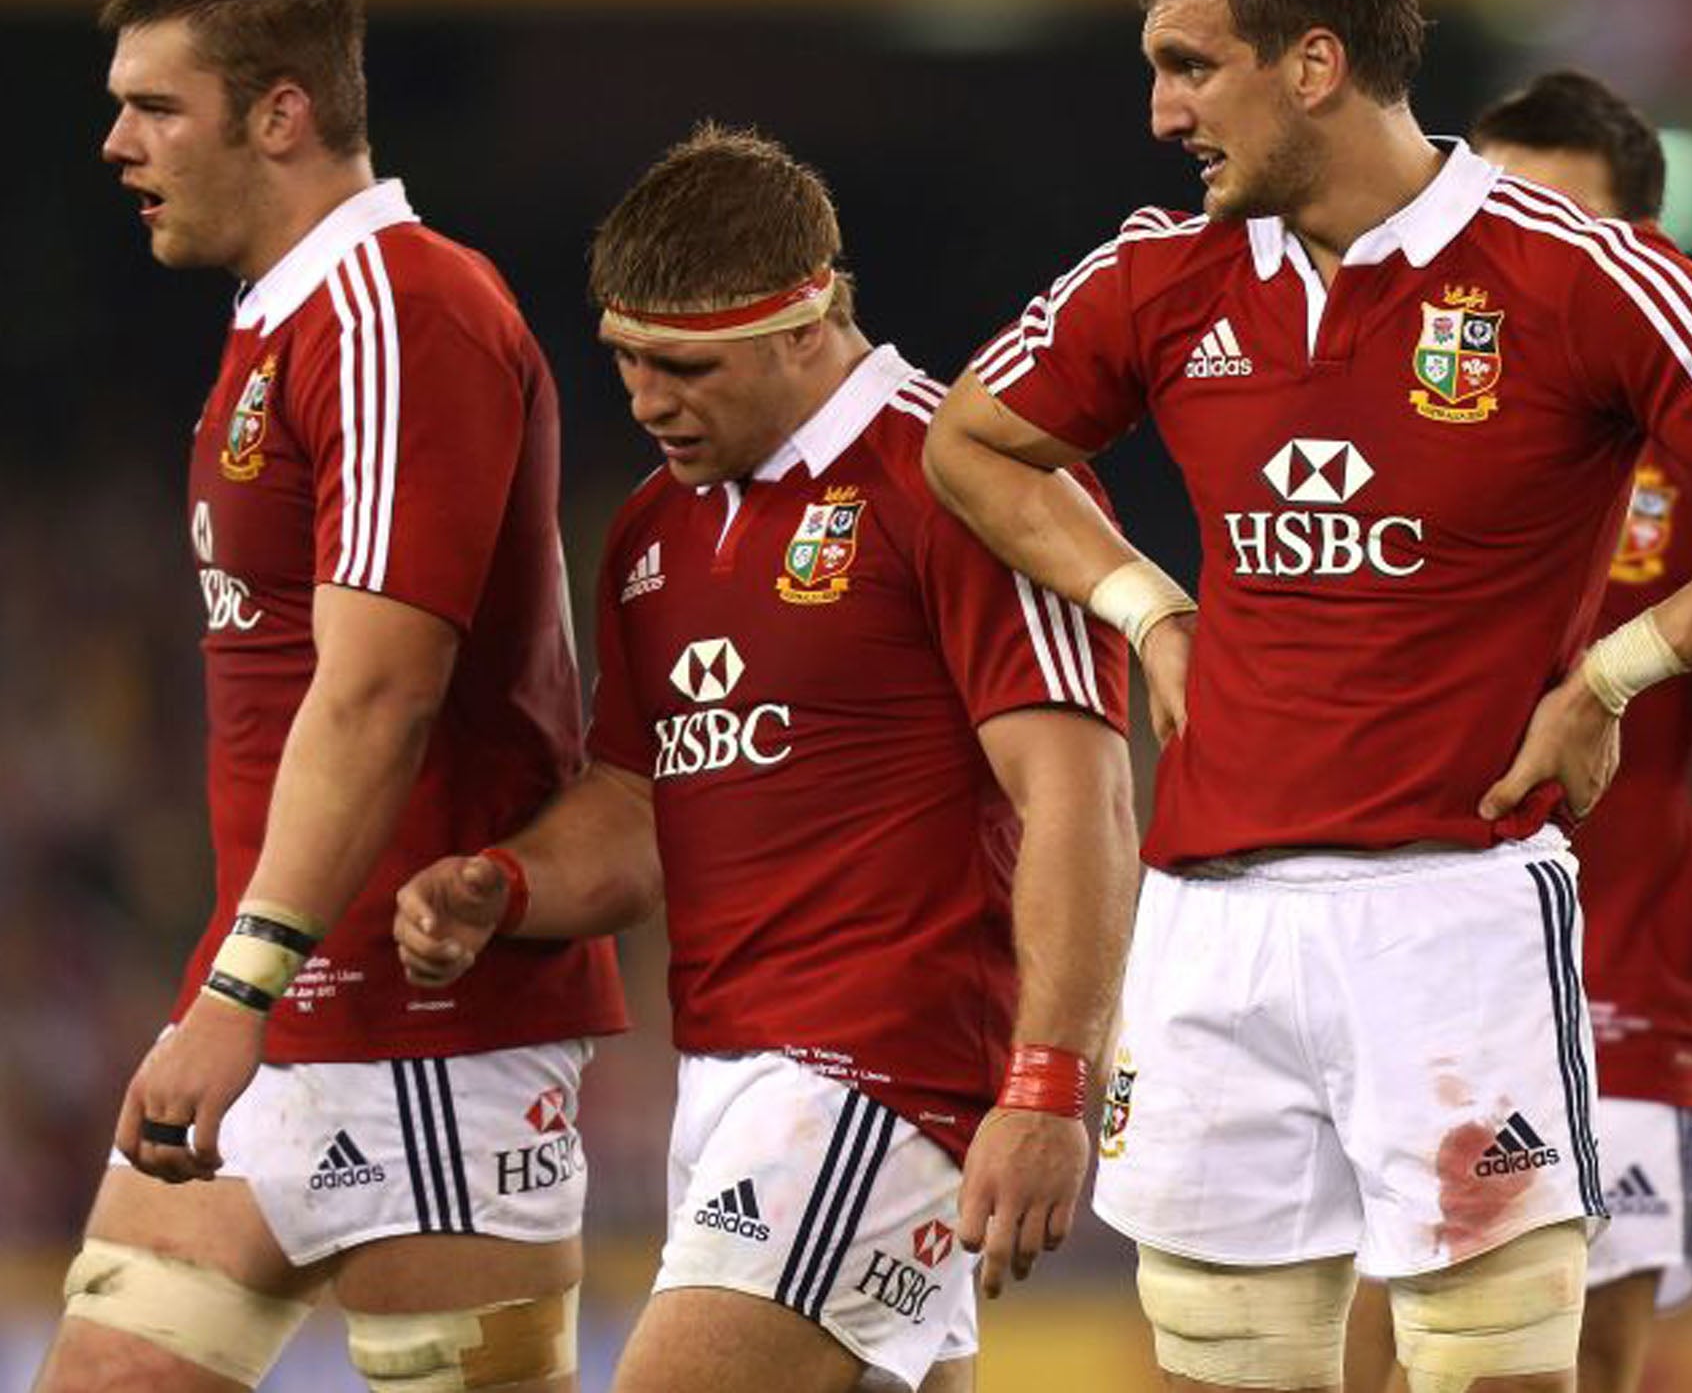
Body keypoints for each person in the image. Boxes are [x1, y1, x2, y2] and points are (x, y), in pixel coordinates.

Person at [922, 0, 1692, 1393]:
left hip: (1451, 912)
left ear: (1314, 65)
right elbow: (970, 441)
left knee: (1495, 1373)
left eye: (1191, 67)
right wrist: (1146, 606)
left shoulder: (1571, 270)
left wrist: (1615, 674)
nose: (1161, 113)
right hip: (1208, 919)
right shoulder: (1161, 273)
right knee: (1220, 1368)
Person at [391, 125, 1137, 1393]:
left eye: (684, 366)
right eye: (626, 360)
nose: (645, 401)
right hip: (725, 1080)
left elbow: (1080, 794)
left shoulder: (963, 477)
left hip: (885, 1076)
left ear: (804, 321)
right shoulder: (650, 530)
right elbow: (642, 806)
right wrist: (506, 886)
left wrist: (1048, 1083)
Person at [40, 0, 628, 1393]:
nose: (118, 142)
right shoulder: (284, 322)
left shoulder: (395, 311)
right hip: (294, 1000)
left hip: (421, 1023)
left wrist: (237, 992)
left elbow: (376, 692)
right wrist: (240, 990)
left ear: (282, 114)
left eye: (157, 105)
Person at [1343, 71, 1692, 1393]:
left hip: (1605, 1005)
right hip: (1376, 990)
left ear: (1643, 257)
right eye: (1493, 221)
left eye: (1560, 228)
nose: (1519, 262)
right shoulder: (1377, 410)